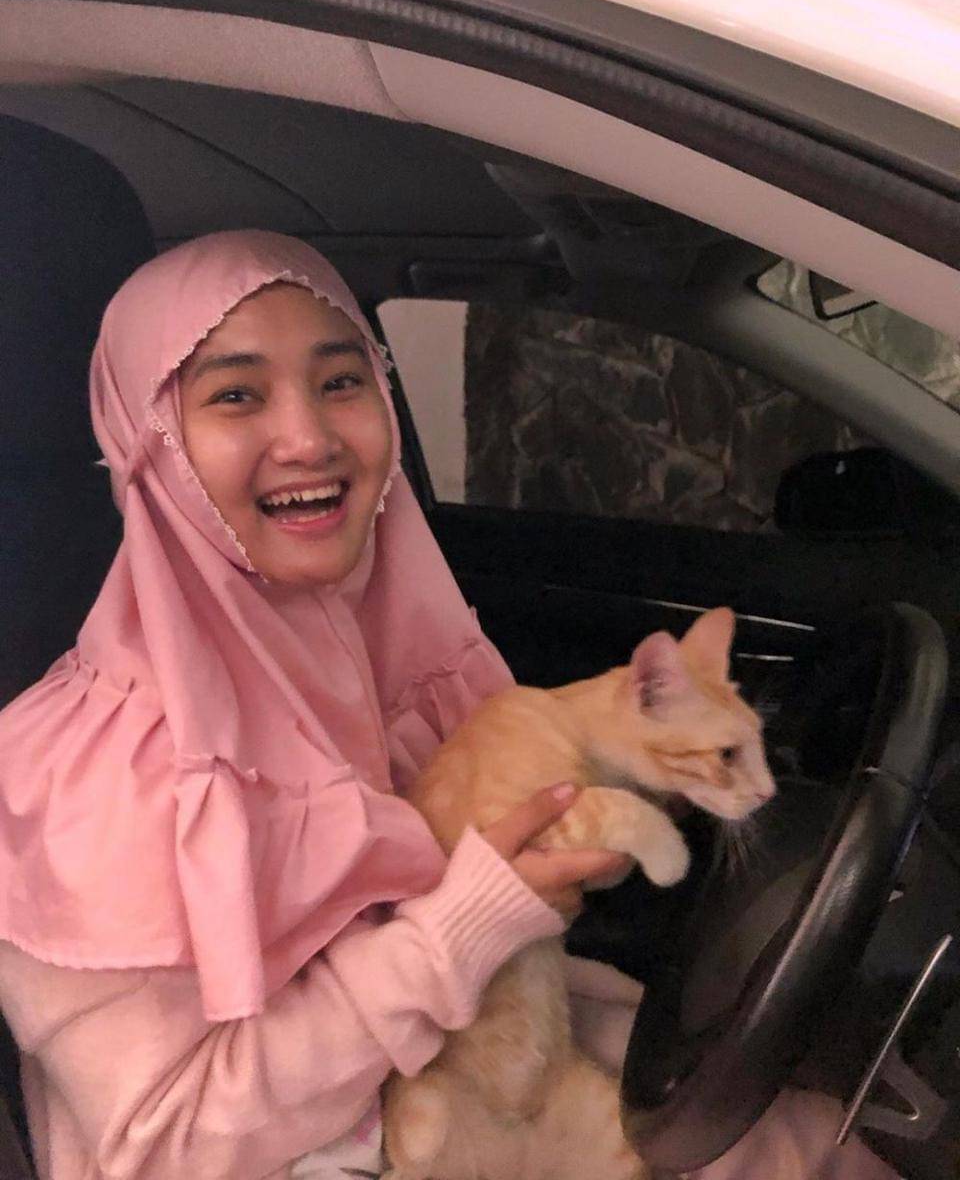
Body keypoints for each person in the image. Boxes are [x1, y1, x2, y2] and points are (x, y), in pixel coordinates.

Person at [0, 230, 898, 1180]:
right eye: (235, 395)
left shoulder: (378, 657)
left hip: (454, 1070)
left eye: (341, 382)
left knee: (800, 1133)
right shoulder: (82, 778)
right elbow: (156, 1152)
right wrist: (455, 934)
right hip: (331, 1144)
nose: (309, 438)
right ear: (148, 440)